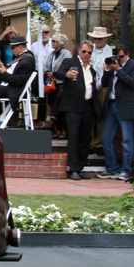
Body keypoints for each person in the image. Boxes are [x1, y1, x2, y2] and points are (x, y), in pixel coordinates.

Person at [55, 41, 99, 179]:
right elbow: (58, 74)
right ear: (79, 51)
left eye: (89, 52)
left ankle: (80, 167)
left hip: (88, 106)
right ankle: (73, 169)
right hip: (73, 106)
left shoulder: (91, 68)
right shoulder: (70, 61)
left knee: (85, 138)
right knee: (74, 136)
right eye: (84, 51)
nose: (86, 54)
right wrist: (67, 75)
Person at [98, 45, 133, 182]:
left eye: (121, 57)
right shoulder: (113, 66)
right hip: (111, 105)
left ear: (127, 55)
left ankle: (126, 171)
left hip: (125, 106)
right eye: (117, 57)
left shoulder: (132, 65)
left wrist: (119, 70)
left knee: (127, 140)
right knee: (106, 138)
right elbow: (105, 84)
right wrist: (107, 70)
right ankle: (112, 169)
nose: (119, 60)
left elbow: (132, 82)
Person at [87, 26, 114, 154]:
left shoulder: (110, 52)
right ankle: (91, 142)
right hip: (90, 85)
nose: (98, 41)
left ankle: (99, 143)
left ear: (105, 39)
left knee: (101, 114)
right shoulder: (89, 50)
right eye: (96, 39)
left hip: (103, 87)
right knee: (90, 113)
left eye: (100, 39)